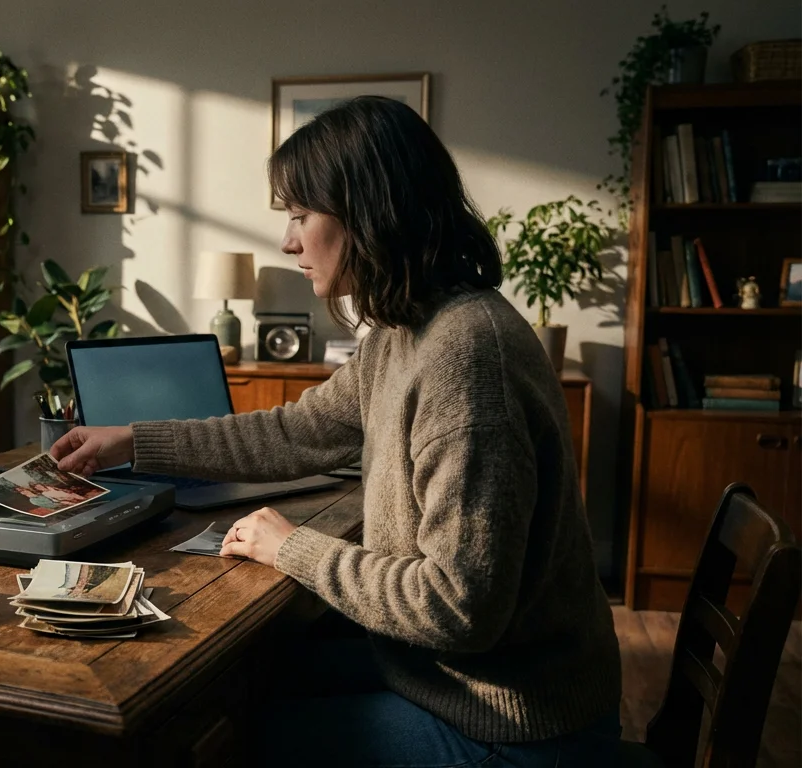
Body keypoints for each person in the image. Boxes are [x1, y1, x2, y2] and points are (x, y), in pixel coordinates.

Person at [49, 97, 622, 765]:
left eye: (299, 217)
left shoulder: (466, 357)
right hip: (452, 682)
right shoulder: (407, 329)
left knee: (217, 739)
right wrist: (133, 441)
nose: (289, 241)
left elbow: (458, 606)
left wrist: (292, 547)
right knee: (239, 683)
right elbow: (296, 431)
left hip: (517, 727)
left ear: (369, 213)